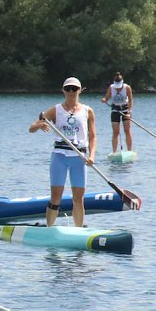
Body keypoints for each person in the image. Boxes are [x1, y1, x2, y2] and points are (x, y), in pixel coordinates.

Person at [29, 77, 97, 227]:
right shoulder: (56, 110)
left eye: (74, 89)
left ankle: (78, 231)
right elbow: (31, 128)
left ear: (80, 90)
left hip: (79, 157)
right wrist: (39, 125)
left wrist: (91, 156)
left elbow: (92, 137)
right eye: (68, 89)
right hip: (60, 156)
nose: (71, 92)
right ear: (63, 91)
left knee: (78, 199)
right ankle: (49, 229)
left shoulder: (88, 111)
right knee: (56, 197)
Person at [101, 71, 134, 152]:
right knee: (116, 132)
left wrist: (129, 113)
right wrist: (104, 99)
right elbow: (107, 97)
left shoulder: (127, 87)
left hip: (125, 109)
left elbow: (130, 101)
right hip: (115, 109)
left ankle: (129, 151)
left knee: (127, 130)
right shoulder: (111, 87)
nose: (118, 88)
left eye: (119, 86)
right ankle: (114, 152)